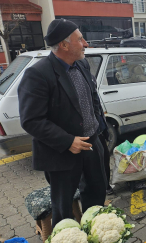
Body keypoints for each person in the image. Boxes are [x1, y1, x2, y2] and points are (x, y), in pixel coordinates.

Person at [18, 19, 106, 227]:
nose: (85, 43)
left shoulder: (82, 64)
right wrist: (68, 141)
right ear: (64, 45)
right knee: (63, 205)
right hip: (63, 152)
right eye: (80, 39)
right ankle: (68, 237)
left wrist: (98, 125)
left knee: (96, 193)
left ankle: (94, 231)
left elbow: (92, 95)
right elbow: (31, 121)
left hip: (92, 143)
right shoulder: (38, 74)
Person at [78, 59, 114, 195]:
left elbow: (96, 103)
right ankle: (94, 190)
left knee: (104, 158)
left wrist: (103, 127)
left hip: (97, 126)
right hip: (86, 131)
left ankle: (106, 186)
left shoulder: (89, 78)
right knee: (91, 166)